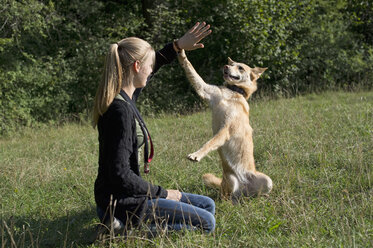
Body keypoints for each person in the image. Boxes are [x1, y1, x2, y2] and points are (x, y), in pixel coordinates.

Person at [92, 22, 215, 235]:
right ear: (136, 67)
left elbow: (155, 64)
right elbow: (120, 176)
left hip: (126, 197)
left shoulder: (126, 95)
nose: (152, 70)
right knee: (206, 223)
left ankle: (122, 225)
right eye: (149, 66)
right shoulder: (119, 112)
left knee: (208, 205)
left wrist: (177, 46)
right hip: (122, 203)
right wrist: (163, 193)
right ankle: (122, 231)